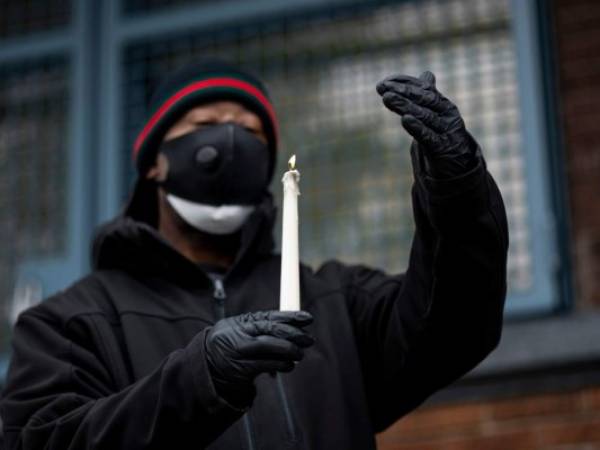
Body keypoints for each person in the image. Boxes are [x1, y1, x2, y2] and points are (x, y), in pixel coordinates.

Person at [0, 60, 508, 449]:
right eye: (207, 122)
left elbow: (455, 324)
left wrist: (457, 187)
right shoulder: (71, 322)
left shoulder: (336, 300)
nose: (231, 140)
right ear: (155, 161)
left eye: (250, 132)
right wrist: (200, 380)